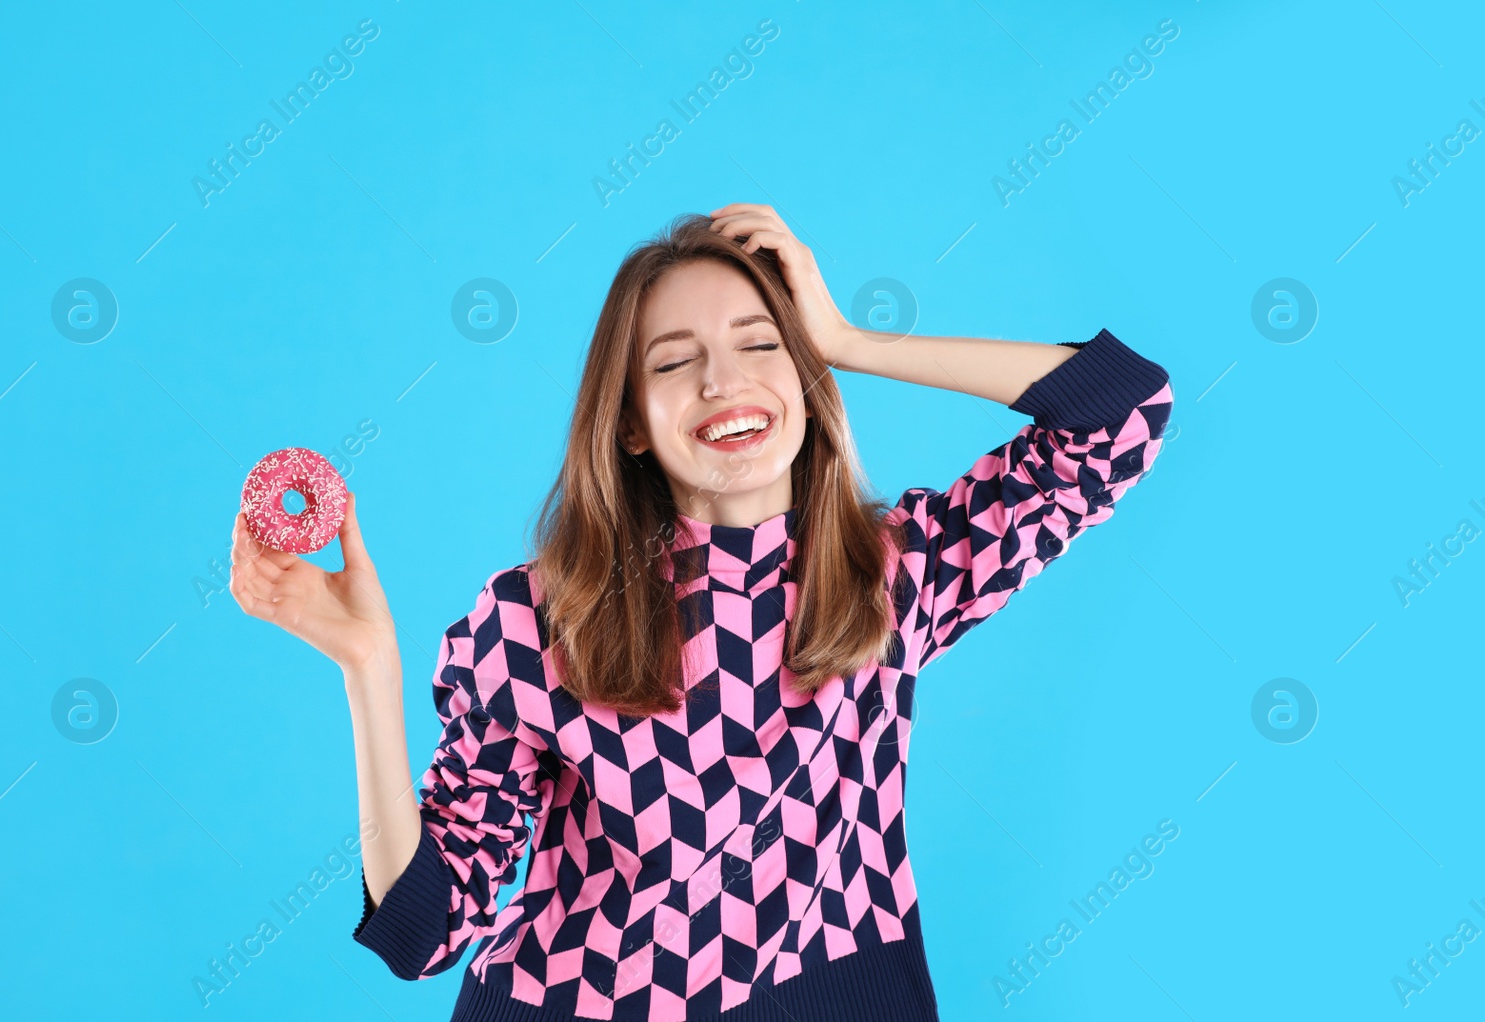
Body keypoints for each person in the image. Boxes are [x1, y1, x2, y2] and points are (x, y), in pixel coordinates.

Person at [228, 203, 1174, 1021]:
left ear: (805, 384)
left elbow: (1121, 414)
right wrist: (369, 667)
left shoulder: (895, 572)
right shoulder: (533, 624)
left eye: (763, 344)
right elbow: (420, 933)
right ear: (631, 423)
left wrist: (850, 341)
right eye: (676, 363)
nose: (724, 382)